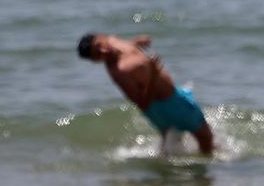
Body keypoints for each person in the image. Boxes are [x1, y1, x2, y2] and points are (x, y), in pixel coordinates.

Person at [76, 34, 215, 156]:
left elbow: (126, 46)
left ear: (101, 37)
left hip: (162, 107)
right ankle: (208, 176)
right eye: (98, 55)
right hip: (169, 104)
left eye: (99, 45)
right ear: (96, 61)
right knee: (206, 139)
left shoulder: (114, 40)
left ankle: (164, 175)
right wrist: (154, 75)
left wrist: (136, 42)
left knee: (169, 145)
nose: (103, 51)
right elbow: (142, 103)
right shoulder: (119, 71)